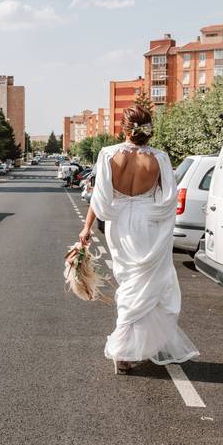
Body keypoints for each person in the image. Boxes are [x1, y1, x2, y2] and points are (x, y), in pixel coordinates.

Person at [78, 106, 199, 374]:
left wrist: (86, 228)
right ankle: (133, 347)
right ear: (148, 129)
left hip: (119, 224)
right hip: (149, 225)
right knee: (148, 286)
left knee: (129, 284)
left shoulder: (108, 155)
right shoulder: (160, 159)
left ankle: (126, 349)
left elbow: (100, 197)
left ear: (124, 128)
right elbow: (169, 199)